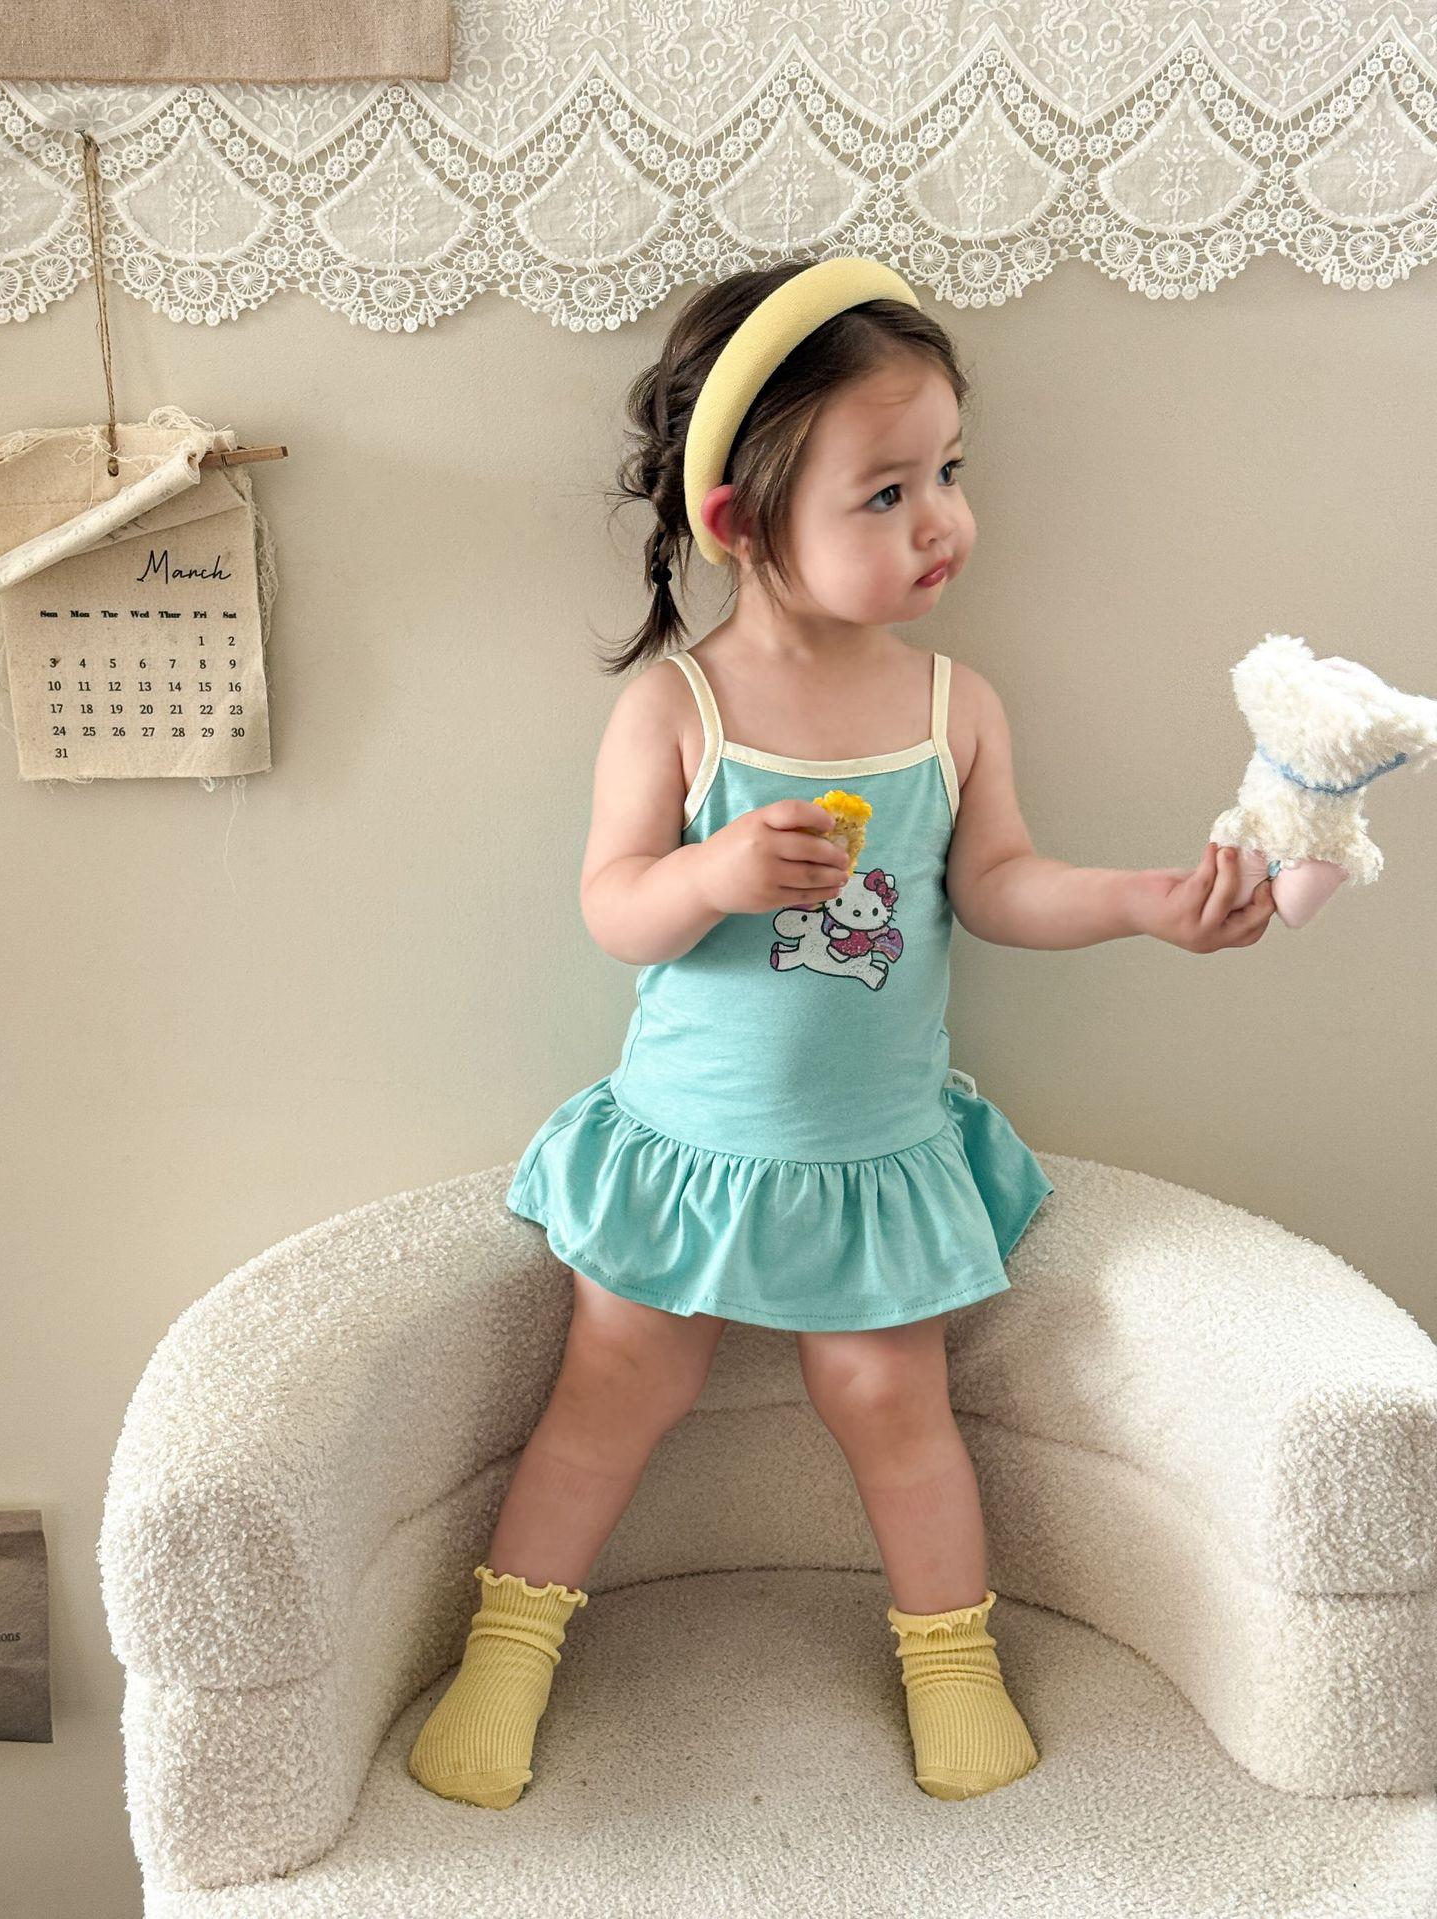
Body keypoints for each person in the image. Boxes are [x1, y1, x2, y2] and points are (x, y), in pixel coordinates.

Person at [408, 255, 1277, 1814]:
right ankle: (511, 1650)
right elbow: (613, 906)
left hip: (870, 1155)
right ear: (743, 524)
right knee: (609, 1400)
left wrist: (1146, 902)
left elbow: (996, 886)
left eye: (948, 472)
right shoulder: (679, 710)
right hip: (690, 1152)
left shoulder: (954, 707)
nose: (942, 519)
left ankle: (951, 1658)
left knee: (895, 1409)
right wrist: (712, 875)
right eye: (885, 492)